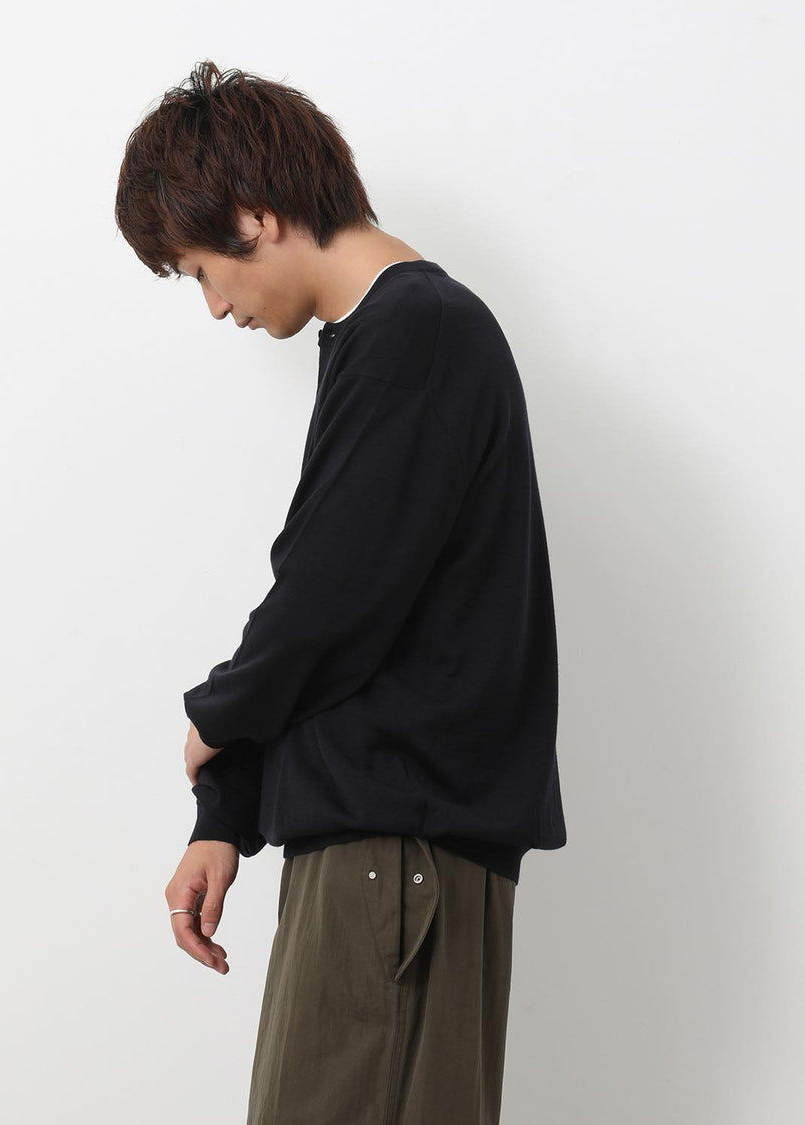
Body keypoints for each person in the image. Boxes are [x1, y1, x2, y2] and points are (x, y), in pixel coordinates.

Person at [115, 59, 567, 1125]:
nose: (215, 307)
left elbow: (330, 602)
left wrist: (215, 720)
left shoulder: (418, 334)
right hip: (384, 866)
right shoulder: (386, 341)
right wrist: (227, 810)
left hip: (393, 869)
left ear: (254, 214)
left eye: (200, 271)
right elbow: (351, 600)